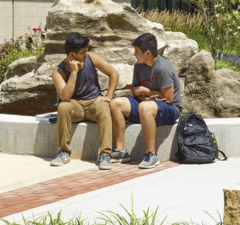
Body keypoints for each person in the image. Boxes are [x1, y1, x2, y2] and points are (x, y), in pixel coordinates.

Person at [108, 32, 182, 170]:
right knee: (115, 103)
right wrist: (145, 96)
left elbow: (169, 98)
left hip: (170, 109)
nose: (134, 54)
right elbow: (136, 92)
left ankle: (151, 154)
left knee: (145, 107)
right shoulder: (138, 66)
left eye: (137, 52)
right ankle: (121, 151)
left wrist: (146, 92)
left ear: (147, 53)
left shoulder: (163, 68)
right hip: (146, 104)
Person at [50, 31, 118, 169]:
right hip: (75, 107)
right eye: (82, 52)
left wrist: (108, 97)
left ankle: (105, 155)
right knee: (63, 107)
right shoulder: (58, 71)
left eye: (86, 51)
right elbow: (65, 97)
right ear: (72, 55)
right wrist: (74, 72)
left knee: (105, 107)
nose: (86, 54)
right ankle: (64, 151)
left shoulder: (91, 58)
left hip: (94, 102)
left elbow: (113, 74)